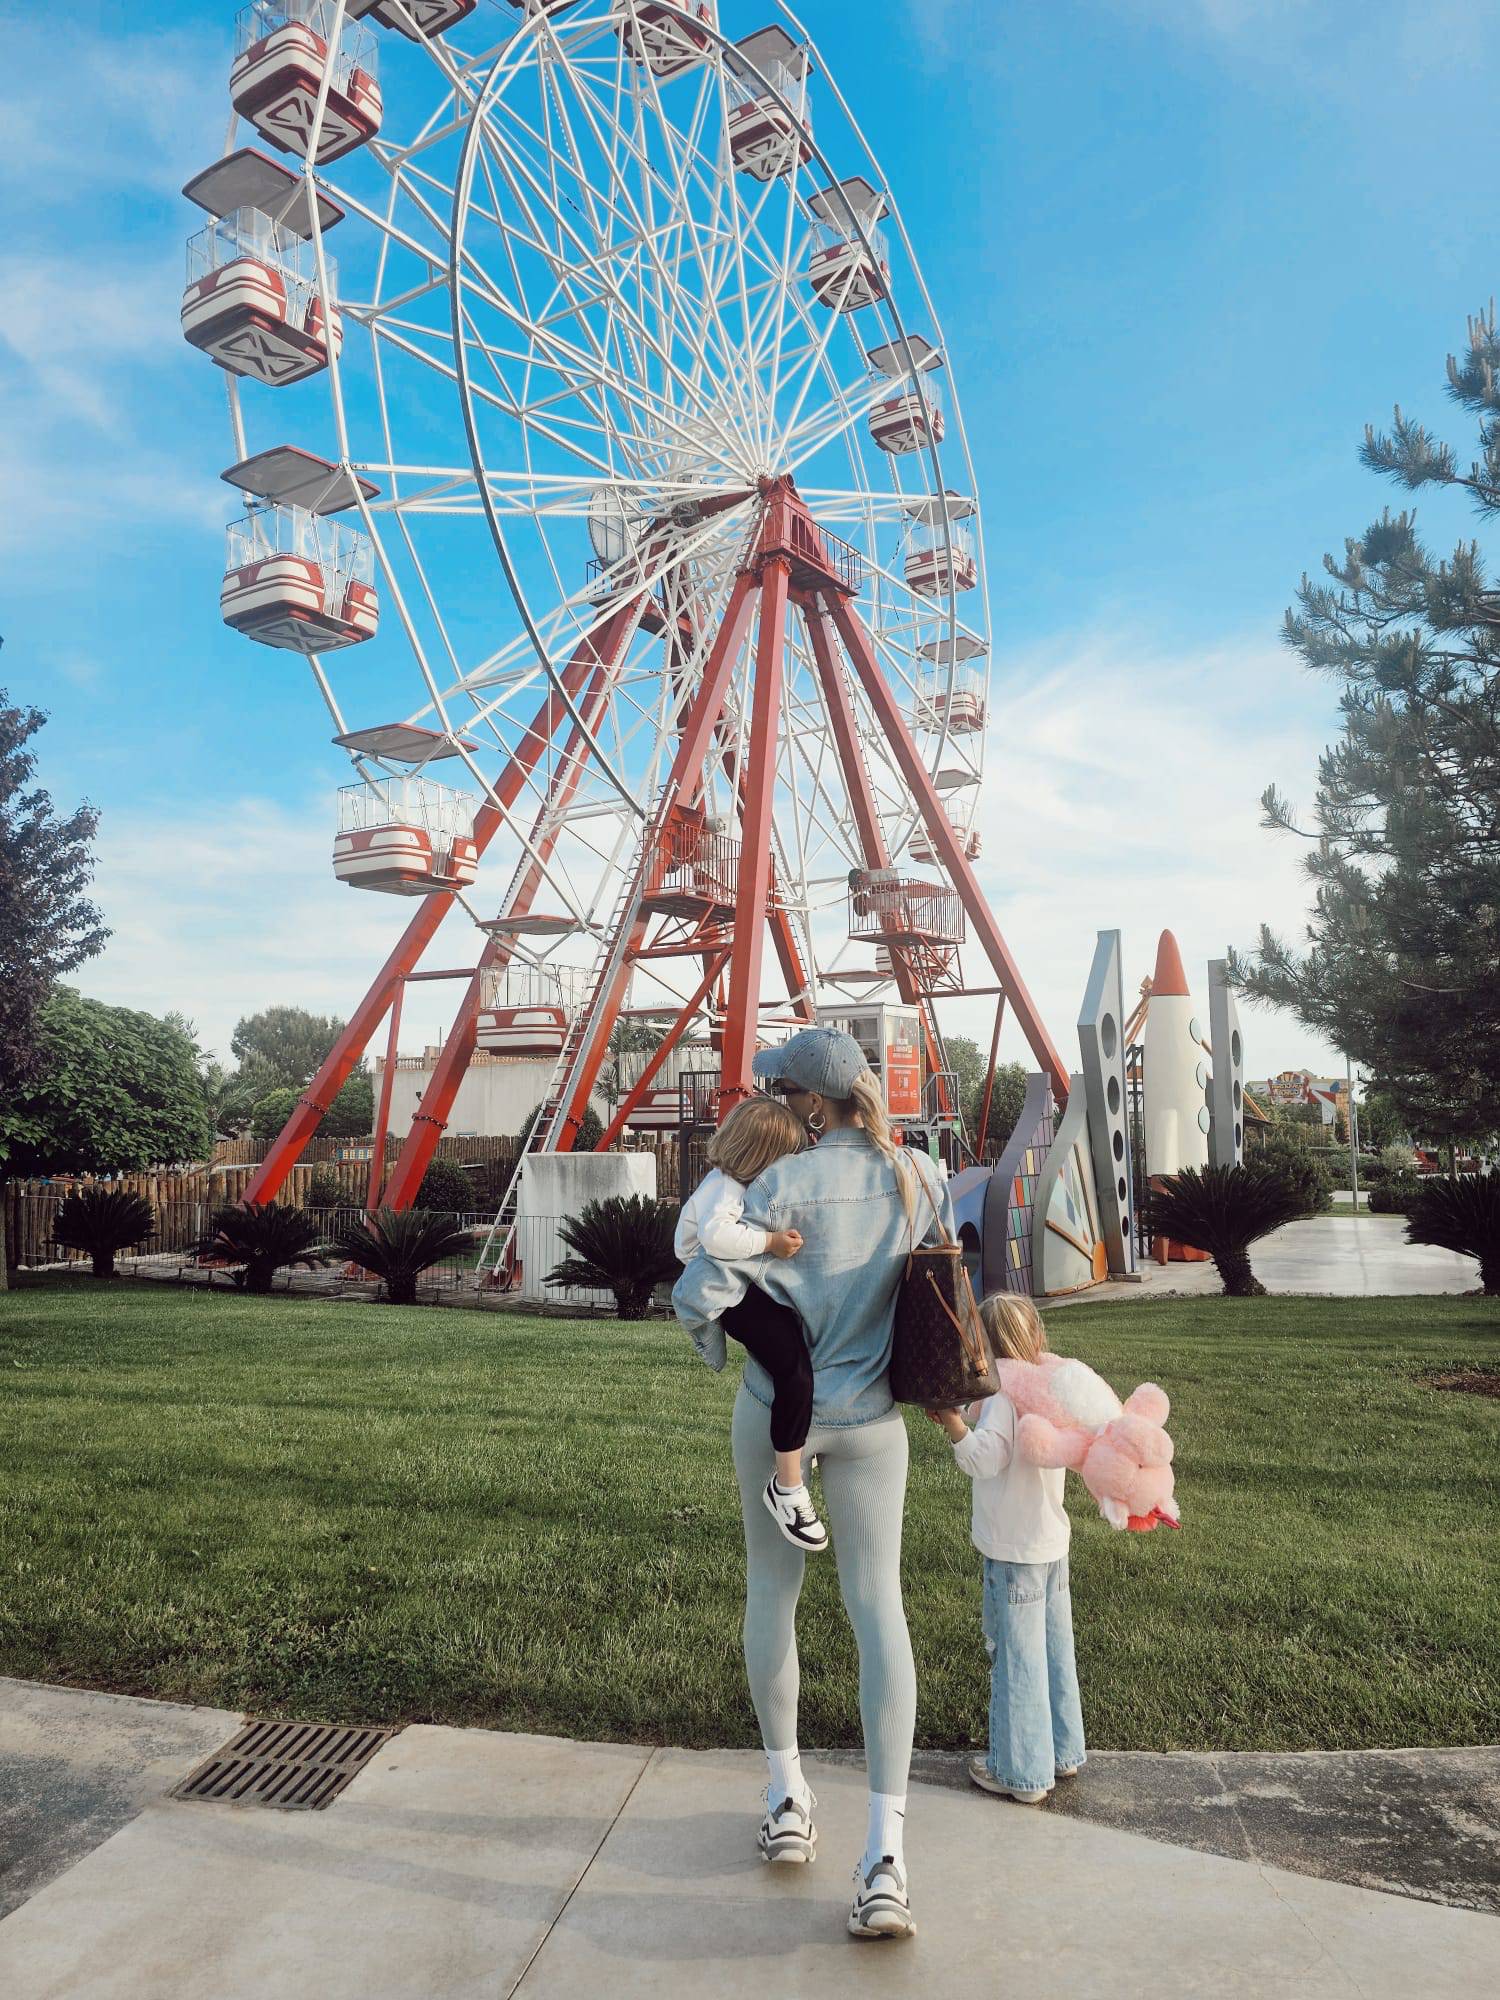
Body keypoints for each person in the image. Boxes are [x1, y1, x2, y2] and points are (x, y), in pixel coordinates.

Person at [673, 1026, 953, 1944]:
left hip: (775, 1416)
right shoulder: (920, 1178)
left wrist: (722, 1339)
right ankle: (886, 1858)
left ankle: (788, 1796)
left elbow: (697, 1288)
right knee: (881, 1614)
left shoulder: (770, 1188)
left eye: (784, 1092)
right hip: (873, 1421)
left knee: (772, 1596)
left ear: (810, 1102)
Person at [926, 1291, 1086, 1803]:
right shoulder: (1049, 1388)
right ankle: (1062, 1753)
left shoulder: (1002, 1396)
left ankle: (1020, 1773)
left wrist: (953, 1426)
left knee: (1016, 1659)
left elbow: (987, 1459)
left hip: (1013, 1552)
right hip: (1051, 1543)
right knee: (1056, 1650)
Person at [674, 1096, 826, 1552]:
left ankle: (793, 1441)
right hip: (723, 1289)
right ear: (762, 1157)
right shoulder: (724, 1187)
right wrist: (771, 1242)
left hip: (737, 1282)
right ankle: (788, 1487)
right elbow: (717, 1238)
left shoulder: (730, 1183)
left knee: (797, 1349)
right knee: (793, 1369)